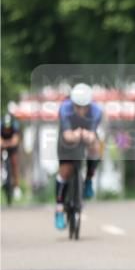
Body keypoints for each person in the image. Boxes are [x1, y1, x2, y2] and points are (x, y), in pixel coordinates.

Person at [55, 83, 103, 229]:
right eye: (78, 106)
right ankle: (59, 209)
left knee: (95, 146)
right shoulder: (65, 109)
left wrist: (87, 137)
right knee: (65, 170)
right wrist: (76, 135)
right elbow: (67, 135)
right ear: (73, 103)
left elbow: (93, 135)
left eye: (85, 107)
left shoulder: (96, 111)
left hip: (86, 134)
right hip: (69, 137)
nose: (81, 110)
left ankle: (88, 178)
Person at [1, 112, 23, 200]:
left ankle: (16, 187)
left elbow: (15, 140)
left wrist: (8, 143)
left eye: (8, 127)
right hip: (3, 144)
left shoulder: (15, 126)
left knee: (15, 163)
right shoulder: (0, 125)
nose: (7, 129)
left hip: (12, 145)